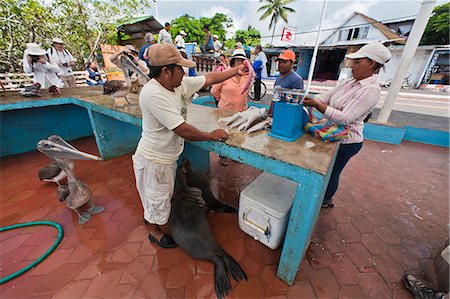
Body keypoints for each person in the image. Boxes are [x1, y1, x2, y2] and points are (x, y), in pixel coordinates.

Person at [134, 43, 249, 248]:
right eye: (179, 68)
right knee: (156, 197)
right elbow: (182, 129)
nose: (184, 72)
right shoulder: (153, 94)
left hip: (167, 156)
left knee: (161, 195)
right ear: (166, 71)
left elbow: (210, 78)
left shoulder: (177, 84)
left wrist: (236, 70)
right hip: (155, 159)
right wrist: (210, 135)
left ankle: (155, 219)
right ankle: (153, 231)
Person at [302, 42, 392, 208]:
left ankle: (325, 200)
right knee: (323, 169)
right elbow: (325, 97)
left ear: (372, 64)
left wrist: (317, 105)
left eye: (358, 62)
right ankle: (318, 194)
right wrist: (313, 101)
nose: (353, 66)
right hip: (333, 132)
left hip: (348, 141)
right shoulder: (348, 83)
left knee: (332, 172)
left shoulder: (371, 90)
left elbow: (345, 118)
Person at [211, 49, 251, 166]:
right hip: (225, 112)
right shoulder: (225, 75)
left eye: (242, 61)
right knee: (224, 135)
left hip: (241, 111)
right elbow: (214, 91)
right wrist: (223, 101)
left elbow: (247, 92)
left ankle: (236, 156)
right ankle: (223, 156)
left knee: (239, 135)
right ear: (232, 62)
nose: (239, 63)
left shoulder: (247, 76)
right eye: (237, 60)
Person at [268, 50, 304, 115]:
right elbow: (275, 97)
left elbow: (296, 105)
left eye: (284, 62)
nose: (281, 65)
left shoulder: (296, 80)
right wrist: (270, 112)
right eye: (279, 62)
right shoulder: (279, 77)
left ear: (292, 63)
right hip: (275, 115)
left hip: (285, 116)